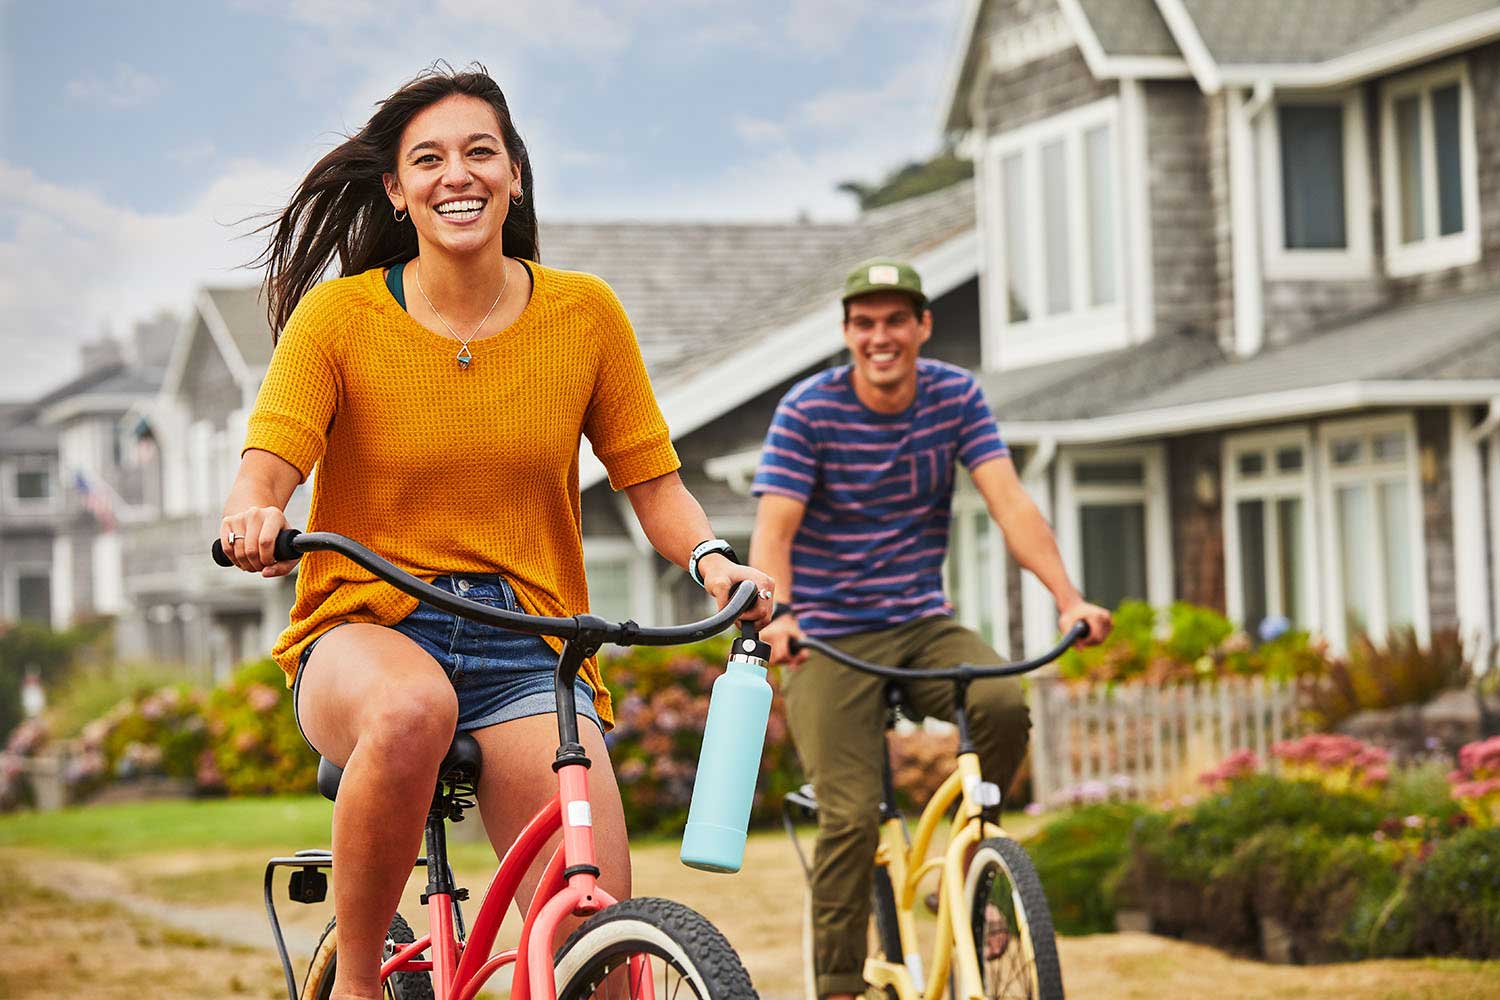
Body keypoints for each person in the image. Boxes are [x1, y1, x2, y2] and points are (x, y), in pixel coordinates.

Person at [219, 65, 775, 1000]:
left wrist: (713, 560)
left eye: (480, 152)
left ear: (514, 173)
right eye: (428, 159)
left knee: (601, 950)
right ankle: (357, 985)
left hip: (529, 644)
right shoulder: (340, 317)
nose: (458, 175)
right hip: (369, 625)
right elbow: (270, 460)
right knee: (411, 711)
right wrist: (256, 511)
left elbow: (654, 483)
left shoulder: (584, 314)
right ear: (396, 190)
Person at [749, 258, 1112, 1000]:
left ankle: (973, 869)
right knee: (851, 819)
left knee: (1002, 703)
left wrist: (1068, 598)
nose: (880, 337)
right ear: (847, 333)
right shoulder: (808, 411)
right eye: (864, 324)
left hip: (921, 621)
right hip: (826, 636)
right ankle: (839, 985)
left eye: (895, 321)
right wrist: (779, 616)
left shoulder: (955, 396)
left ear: (923, 326)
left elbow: (1010, 503)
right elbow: (773, 531)